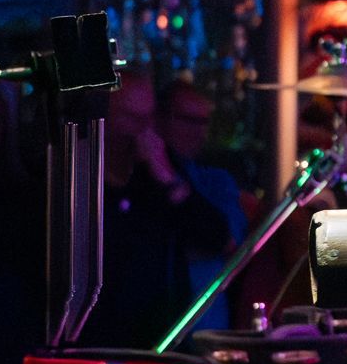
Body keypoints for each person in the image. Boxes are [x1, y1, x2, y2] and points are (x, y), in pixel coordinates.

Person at [92, 69, 232, 349]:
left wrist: (167, 179)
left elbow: (217, 238)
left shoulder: (159, 174)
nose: (142, 131)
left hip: (161, 342)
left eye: (148, 119)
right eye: (131, 118)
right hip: (99, 338)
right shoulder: (81, 177)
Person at [159, 79, 246, 332]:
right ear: (160, 120)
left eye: (203, 122)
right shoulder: (141, 177)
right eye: (187, 120)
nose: (198, 131)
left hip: (203, 326)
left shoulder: (215, 181)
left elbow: (228, 244)